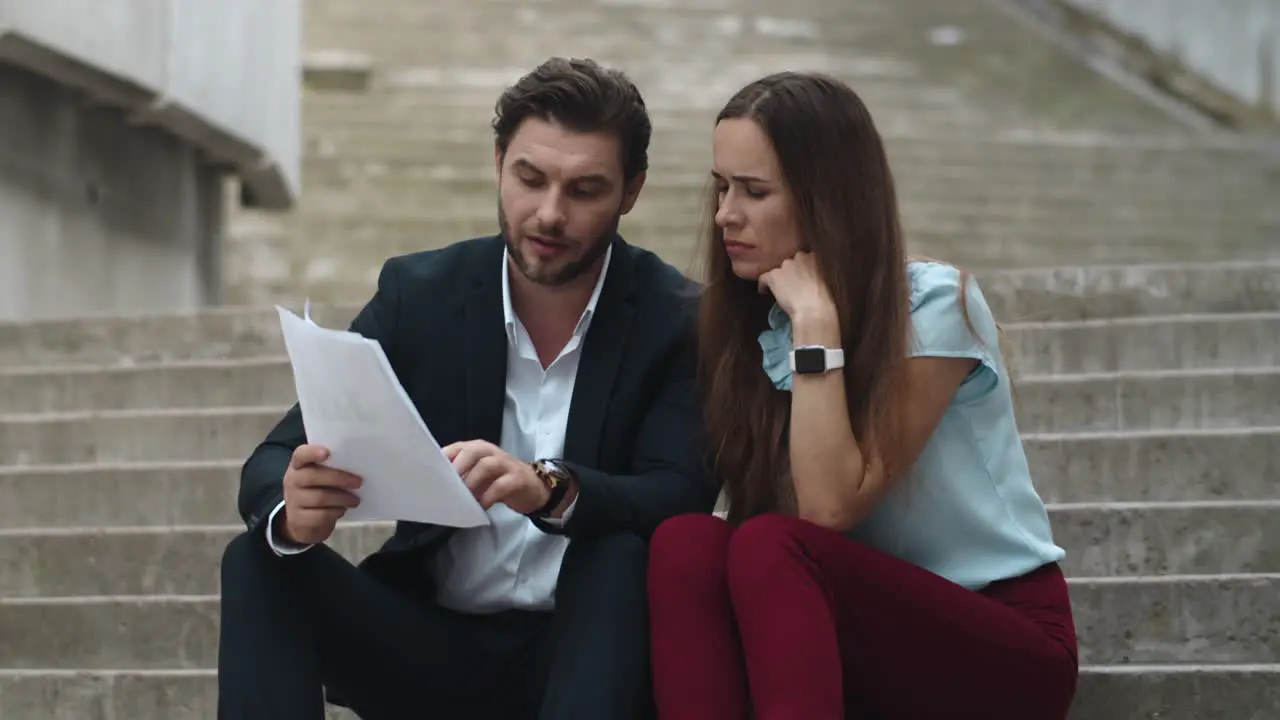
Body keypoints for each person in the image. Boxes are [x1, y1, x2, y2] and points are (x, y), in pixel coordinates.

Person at [217, 57, 716, 720]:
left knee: (621, 551)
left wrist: (550, 488)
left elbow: (678, 495)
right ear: (498, 162)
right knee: (258, 557)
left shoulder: (678, 319)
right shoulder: (422, 295)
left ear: (632, 191)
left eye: (585, 190)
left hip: (593, 658)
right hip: (431, 648)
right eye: (529, 179)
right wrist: (294, 501)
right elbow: (274, 456)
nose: (549, 213)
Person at [646, 72, 1079, 720]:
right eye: (722, 187)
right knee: (688, 544)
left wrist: (817, 326)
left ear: (828, 198)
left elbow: (826, 510)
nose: (725, 215)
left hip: (998, 638)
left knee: (770, 544)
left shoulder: (932, 309)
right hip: (849, 630)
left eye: (755, 191)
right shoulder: (749, 324)